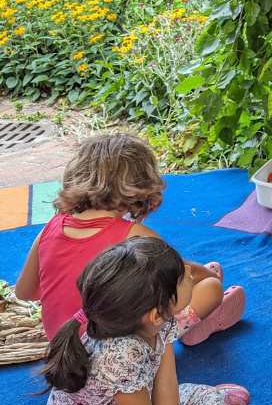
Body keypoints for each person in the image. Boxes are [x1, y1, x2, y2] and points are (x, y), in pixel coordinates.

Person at [15, 134, 245, 345]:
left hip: (62, 346)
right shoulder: (135, 235)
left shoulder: (53, 226)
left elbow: (25, 292)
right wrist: (207, 275)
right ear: (141, 186)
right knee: (210, 287)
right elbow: (184, 274)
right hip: (118, 351)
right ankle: (198, 326)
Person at [41, 236, 249, 405]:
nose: (190, 271)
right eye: (181, 277)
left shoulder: (156, 322)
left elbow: (166, 386)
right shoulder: (121, 356)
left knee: (206, 398)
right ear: (156, 313)